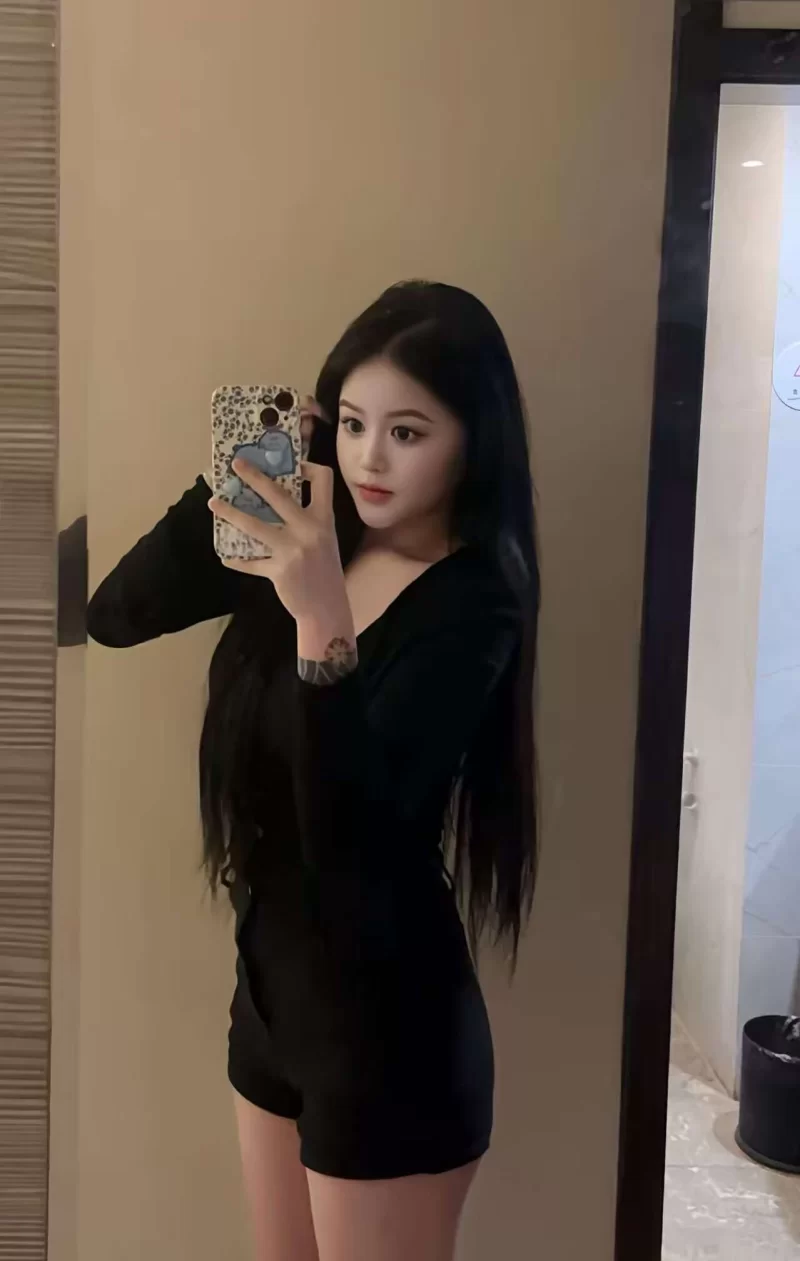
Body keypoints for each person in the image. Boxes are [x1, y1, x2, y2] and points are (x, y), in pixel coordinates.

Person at [87, 280, 540, 1261]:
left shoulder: (475, 602)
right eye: (353, 421)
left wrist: (322, 619)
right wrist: (231, 488)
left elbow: (353, 850)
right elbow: (111, 615)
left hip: (389, 1035)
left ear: (473, 441)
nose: (369, 458)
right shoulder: (307, 535)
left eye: (407, 432)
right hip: (271, 1005)